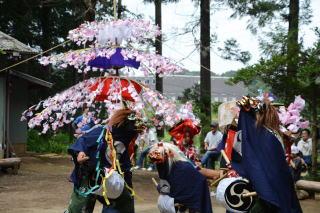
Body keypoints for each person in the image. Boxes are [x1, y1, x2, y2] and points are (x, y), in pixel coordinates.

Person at [66, 109, 145, 213]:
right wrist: (80, 152)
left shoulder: (128, 143)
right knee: (78, 208)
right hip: (89, 176)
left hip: (112, 179)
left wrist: (127, 185)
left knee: (124, 202)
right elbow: (83, 140)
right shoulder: (101, 132)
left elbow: (125, 168)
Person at [233, 96, 302, 213]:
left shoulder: (265, 134)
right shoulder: (273, 132)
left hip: (272, 180)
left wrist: (246, 112)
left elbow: (249, 129)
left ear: (260, 115)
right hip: (281, 177)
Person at [149, 142, 213, 213]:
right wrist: (162, 188)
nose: (157, 163)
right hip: (180, 196)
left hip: (195, 194)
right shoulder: (165, 167)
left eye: (158, 159)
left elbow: (181, 191)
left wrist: (164, 190)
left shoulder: (181, 168)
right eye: (156, 160)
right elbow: (167, 185)